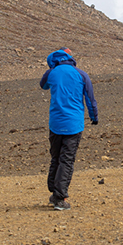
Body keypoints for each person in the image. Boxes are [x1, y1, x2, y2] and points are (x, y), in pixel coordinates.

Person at [40, 48, 98, 211]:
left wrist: (52, 70)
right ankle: (60, 197)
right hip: (73, 124)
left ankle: (54, 190)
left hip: (56, 124)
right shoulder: (81, 74)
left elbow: (43, 85)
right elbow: (90, 98)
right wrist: (94, 117)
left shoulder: (51, 73)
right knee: (67, 160)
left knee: (56, 157)